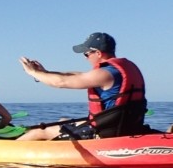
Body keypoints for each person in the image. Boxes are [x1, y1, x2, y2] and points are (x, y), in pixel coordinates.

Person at [17, 32, 147, 141]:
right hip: (122, 126)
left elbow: (61, 82)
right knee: (63, 120)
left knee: (40, 132)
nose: (85, 58)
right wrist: (45, 72)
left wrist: (33, 73)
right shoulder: (118, 70)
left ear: (98, 53)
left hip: (105, 133)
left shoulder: (105, 74)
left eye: (86, 54)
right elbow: (77, 75)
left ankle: (8, 153)